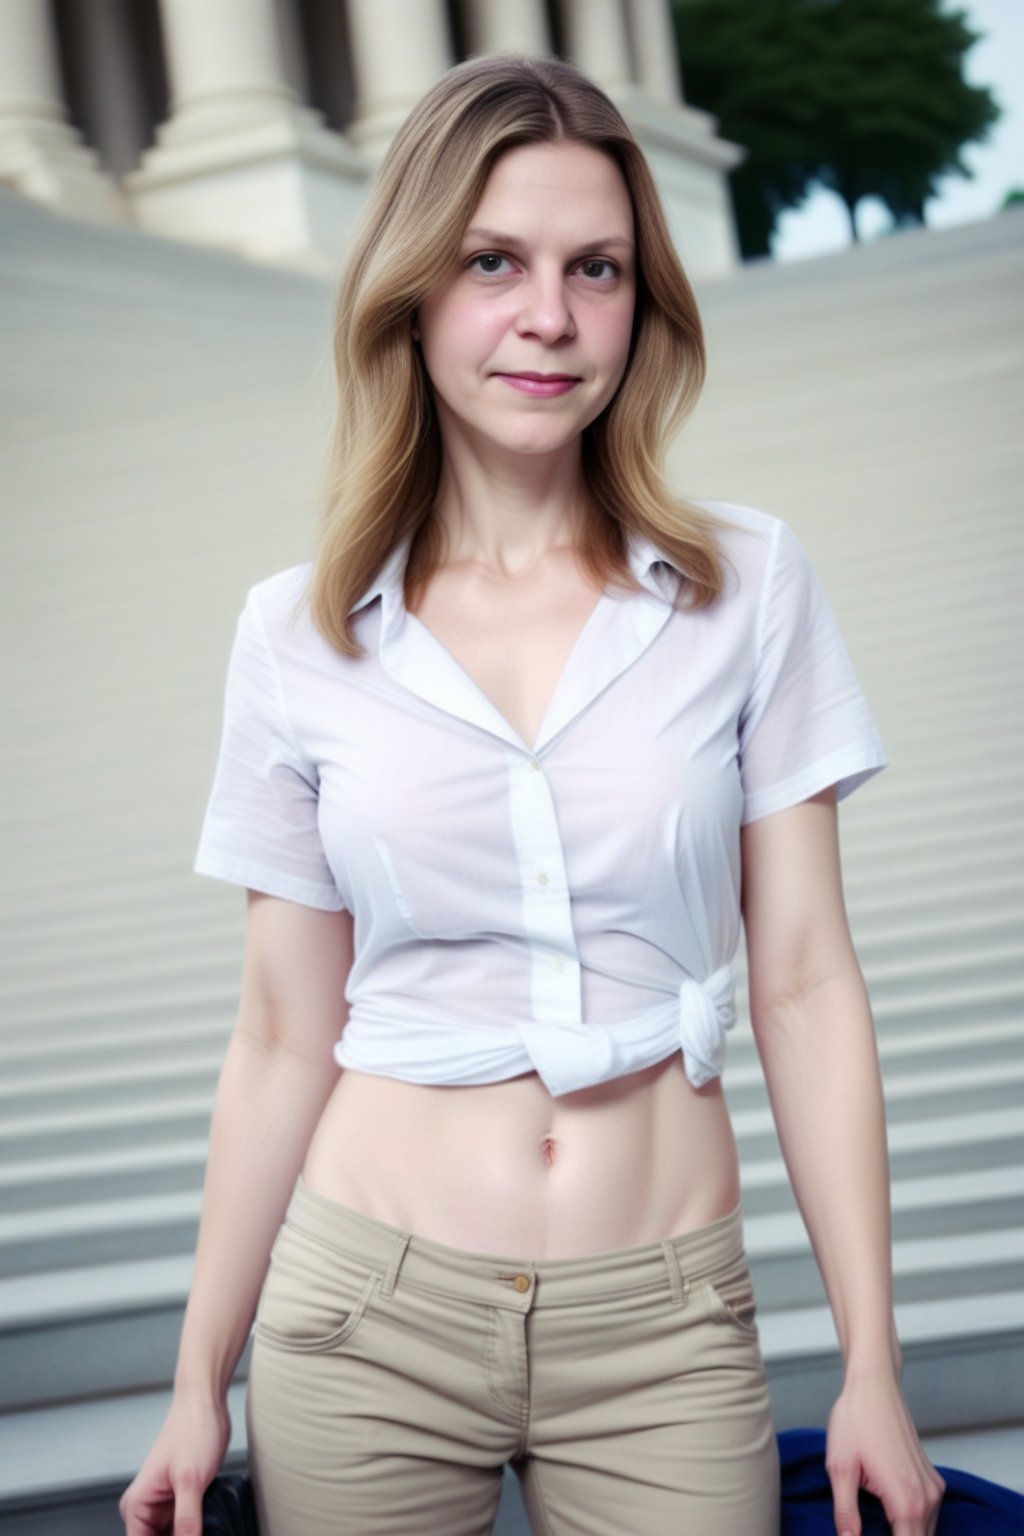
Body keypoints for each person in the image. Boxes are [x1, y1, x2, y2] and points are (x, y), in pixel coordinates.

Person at [120, 52, 946, 1536]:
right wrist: (198, 1374)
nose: (550, 318)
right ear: (415, 290)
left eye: (599, 268)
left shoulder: (746, 585)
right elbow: (279, 1031)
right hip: (366, 1315)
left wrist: (873, 1362)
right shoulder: (294, 633)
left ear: (645, 303)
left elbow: (810, 983)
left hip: (669, 1325)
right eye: (493, 262)